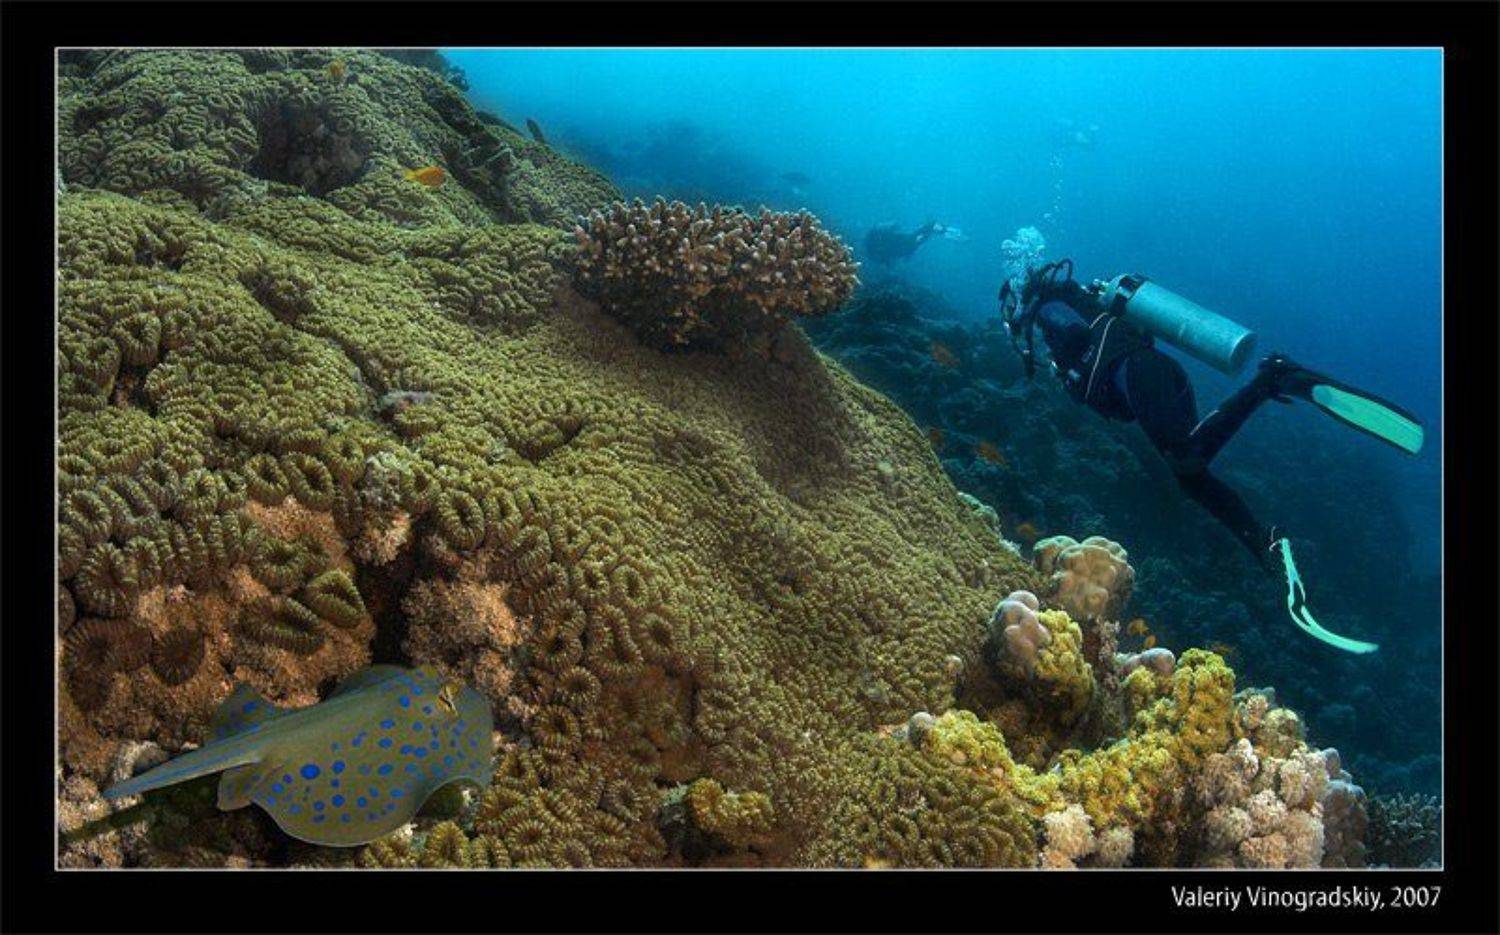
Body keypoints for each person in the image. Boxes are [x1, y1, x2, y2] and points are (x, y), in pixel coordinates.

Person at [1000, 259, 1425, 654]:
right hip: (1155, 377)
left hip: (1140, 377)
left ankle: (1272, 379)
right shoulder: (1079, 303)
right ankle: (1266, 544)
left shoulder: (1049, 309)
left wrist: (1063, 362)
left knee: (1185, 458)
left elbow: (1077, 340)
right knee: (1190, 477)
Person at [863, 221, 945, 266]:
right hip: (896, 245)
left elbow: (885, 258)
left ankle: (931, 226)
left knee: (913, 240)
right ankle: (931, 227)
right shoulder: (874, 247)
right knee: (914, 241)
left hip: (895, 244)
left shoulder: (873, 248)